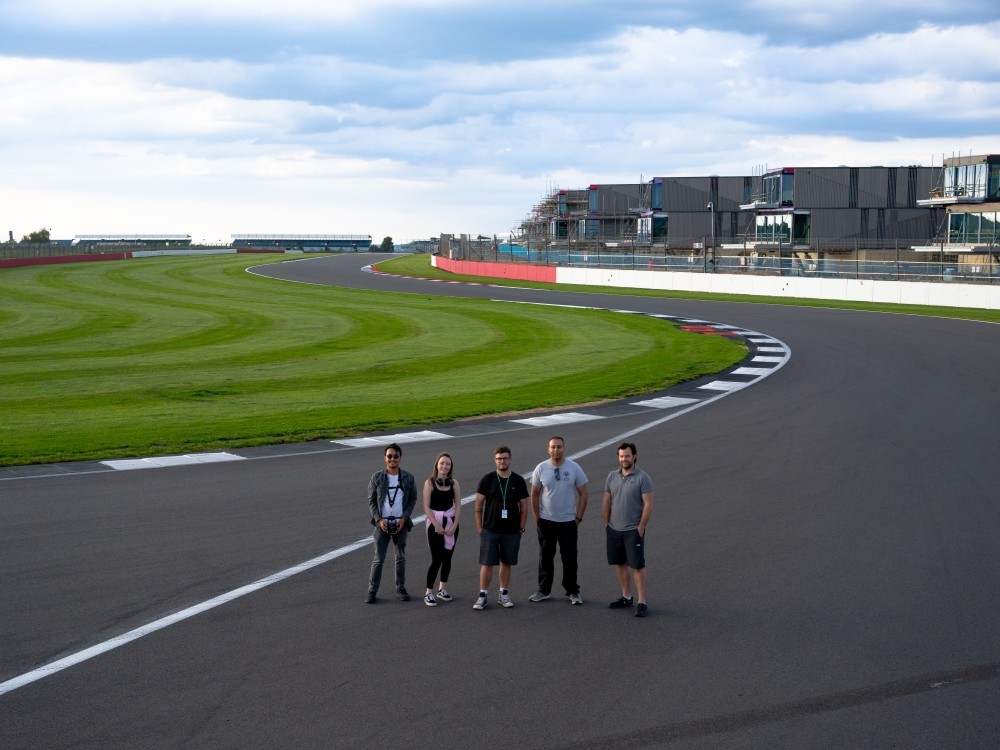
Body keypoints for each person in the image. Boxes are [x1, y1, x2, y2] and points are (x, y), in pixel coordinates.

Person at [528, 436, 588, 605]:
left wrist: (578, 518)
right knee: (545, 556)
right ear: (549, 449)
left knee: (569, 557)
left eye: (559, 447)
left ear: (564, 448)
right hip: (546, 521)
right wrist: (536, 516)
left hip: (568, 522)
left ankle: (572, 591)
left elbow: (584, 493)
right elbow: (534, 493)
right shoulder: (541, 468)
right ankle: (544, 590)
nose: (556, 450)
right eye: (553, 447)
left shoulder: (574, 468)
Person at [473, 445, 529, 610]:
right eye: (499, 458)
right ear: (495, 460)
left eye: (505, 458)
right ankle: (482, 595)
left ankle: (503, 594)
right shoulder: (487, 479)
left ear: (510, 459)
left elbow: (524, 507)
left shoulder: (518, 480)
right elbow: (478, 506)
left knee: (506, 563)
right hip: (490, 529)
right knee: (487, 563)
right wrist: (479, 528)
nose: (502, 461)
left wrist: (521, 528)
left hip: (511, 531)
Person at [602, 441, 654, 617]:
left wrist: (641, 527)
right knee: (620, 564)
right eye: (621, 456)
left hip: (633, 530)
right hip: (614, 529)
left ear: (634, 457)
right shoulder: (612, 476)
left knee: (637, 566)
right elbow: (607, 500)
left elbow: (648, 504)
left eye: (627, 456)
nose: (624, 459)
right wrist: (606, 523)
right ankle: (626, 597)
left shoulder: (642, 478)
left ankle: (642, 601)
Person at [365, 443, 417, 603]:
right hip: (383, 524)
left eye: (396, 456)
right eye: (389, 456)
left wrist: (404, 518)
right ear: (385, 458)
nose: (392, 459)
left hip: (401, 523)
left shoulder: (408, 477)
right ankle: (372, 591)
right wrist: (379, 520)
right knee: (378, 559)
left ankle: (400, 588)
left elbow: (413, 499)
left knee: (400, 557)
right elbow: (371, 500)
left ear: (400, 458)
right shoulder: (377, 477)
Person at [422, 453, 462, 606]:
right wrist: (436, 525)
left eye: (448, 464)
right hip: (435, 524)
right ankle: (428, 592)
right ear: (437, 465)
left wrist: (455, 525)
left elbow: (458, 505)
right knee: (436, 559)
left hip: (451, 523)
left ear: (451, 467)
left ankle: (442, 589)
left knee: (447, 558)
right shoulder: (429, 483)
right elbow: (426, 506)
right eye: (442, 463)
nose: (444, 466)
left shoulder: (454, 483)